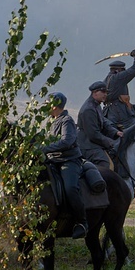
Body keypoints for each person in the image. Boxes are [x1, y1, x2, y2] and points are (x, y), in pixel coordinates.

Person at [42, 92, 88, 239]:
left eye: (47, 104)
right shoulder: (51, 121)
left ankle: (82, 222)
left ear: (54, 106)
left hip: (68, 161)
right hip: (52, 160)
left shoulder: (67, 121)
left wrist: (44, 148)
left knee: (70, 188)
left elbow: (66, 142)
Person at [77, 81, 124, 169]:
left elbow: (104, 121)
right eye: (103, 92)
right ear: (94, 93)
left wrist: (116, 132)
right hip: (87, 146)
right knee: (106, 165)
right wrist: (110, 142)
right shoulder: (88, 109)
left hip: (93, 143)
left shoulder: (96, 105)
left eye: (106, 92)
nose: (105, 94)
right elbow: (93, 134)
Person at [104, 49, 135, 130]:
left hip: (112, 113)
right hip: (120, 116)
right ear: (118, 70)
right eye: (123, 70)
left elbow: (118, 100)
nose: (125, 72)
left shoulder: (108, 79)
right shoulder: (118, 78)